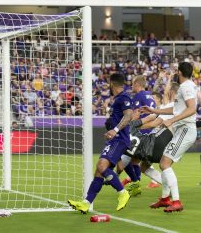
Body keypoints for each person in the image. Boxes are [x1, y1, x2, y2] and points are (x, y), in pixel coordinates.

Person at [68, 73, 133, 213]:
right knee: (98, 172)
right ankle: (86, 203)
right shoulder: (118, 99)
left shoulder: (124, 97)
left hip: (119, 139)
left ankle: (122, 192)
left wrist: (115, 130)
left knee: (101, 165)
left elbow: (129, 115)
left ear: (113, 84)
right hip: (114, 138)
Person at [140, 62, 197, 212]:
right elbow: (176, 109)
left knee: (164, 163)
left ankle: (176, 201)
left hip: (185, 129)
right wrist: (154, 110)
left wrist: (172, 120)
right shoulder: (185, 87)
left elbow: (192, 108)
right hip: (181, 130)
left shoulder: (186, 87)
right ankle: (165, 199)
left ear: (179, 72)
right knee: (164, 163)